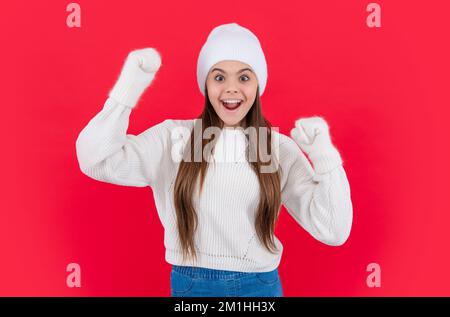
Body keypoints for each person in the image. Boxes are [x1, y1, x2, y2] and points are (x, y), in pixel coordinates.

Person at [75, 22, 353, 297]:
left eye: (244, 77)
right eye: (219, 77)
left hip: (261, 289)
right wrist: (127, 91)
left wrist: (324, 156)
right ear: (206, 83)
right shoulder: (176, 139)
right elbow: (95, 160)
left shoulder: (272, 148)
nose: (231, 89)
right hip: (194, 289)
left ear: (258, 84)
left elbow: (333, 230)